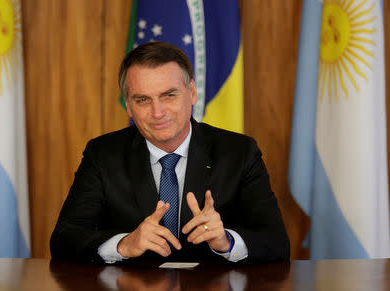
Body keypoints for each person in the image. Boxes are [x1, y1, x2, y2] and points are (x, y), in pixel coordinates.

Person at [50, 42, 290, 264]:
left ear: (192, 93)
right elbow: (64, 239)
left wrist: (226, 241)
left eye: (169, 95)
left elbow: (277, 243)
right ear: (128, 106)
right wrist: (123, 244)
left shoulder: (238, 153)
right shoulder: (102, 155)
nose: (157, 112)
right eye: (143, 100)